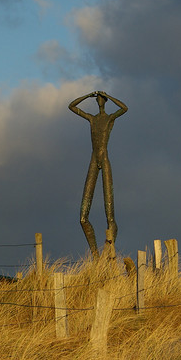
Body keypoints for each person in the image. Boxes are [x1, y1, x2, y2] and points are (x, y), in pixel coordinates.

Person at [69, 90, 128, 258]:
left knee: (110, 215)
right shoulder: (92, 119)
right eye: (98, 100)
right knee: (82, 217)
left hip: (105, 160)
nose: (99, 101)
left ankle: (109, 252)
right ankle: (96, 255)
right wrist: (88, 95)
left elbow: (124, 108)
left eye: (101, 99)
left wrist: (109, 95)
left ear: (105, 101)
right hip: (93, 161)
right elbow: (71, 106)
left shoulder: (109, 118)